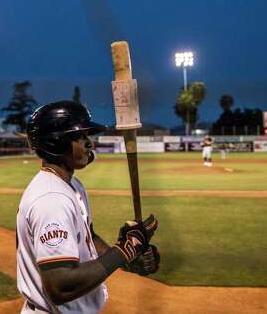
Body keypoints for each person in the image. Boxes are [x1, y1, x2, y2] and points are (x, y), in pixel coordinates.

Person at [17, 101, 160, 313]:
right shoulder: (51, 199)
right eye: (80, 137)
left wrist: (126, 258)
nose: (89, 144)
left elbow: (87, 238)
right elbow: (60, 287)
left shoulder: (71, 185)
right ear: (56, 142)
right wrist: (123, 251)